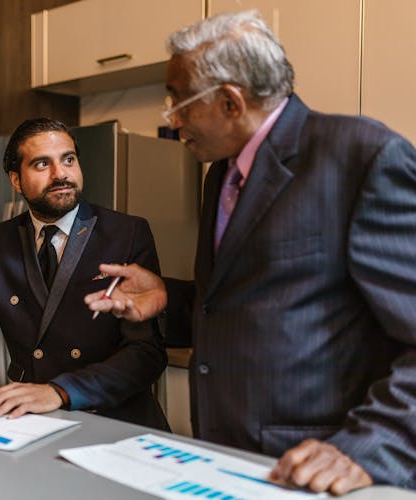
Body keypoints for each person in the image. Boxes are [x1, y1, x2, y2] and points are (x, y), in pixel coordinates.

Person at [85, 10, 416, 495]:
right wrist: (168, 299)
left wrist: (372, 445)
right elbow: (247, 302)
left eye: (179, 101)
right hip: (230, 461)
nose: (172, 119)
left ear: (230, 101)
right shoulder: (220, 175)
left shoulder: (361, 156)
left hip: (325, 468)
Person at [0, 118, 168, 429]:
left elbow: (145, 352)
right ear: (16, 180)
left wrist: (61, 391)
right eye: (42, 164)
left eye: (68, 160)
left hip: (115, 422)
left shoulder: (127, 234)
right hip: (30, 421)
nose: (61, 174)